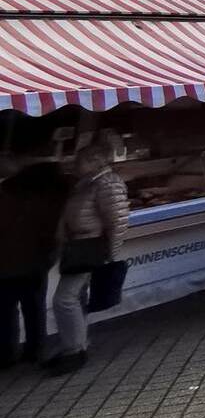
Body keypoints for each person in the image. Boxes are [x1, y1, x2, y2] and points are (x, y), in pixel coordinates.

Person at [46, 135, 130, 375]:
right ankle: (76, 346)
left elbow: (117, 222)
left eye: (80, 160)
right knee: (76, 298)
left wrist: (110, 254)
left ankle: (73, 351)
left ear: (95, 161)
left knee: (64, 299)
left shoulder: (106, 183)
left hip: (89, 247)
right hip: (79, 245)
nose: (75, 164)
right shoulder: (88, 182)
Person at [0, 160, 68, 370]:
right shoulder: (52, 199)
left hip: (5, 264)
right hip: (37, 263)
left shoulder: (6, 197)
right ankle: (35, 350)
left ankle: (6, 354)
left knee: (4, 311)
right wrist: (49, 257)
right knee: (34, 308)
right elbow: (53, 233)